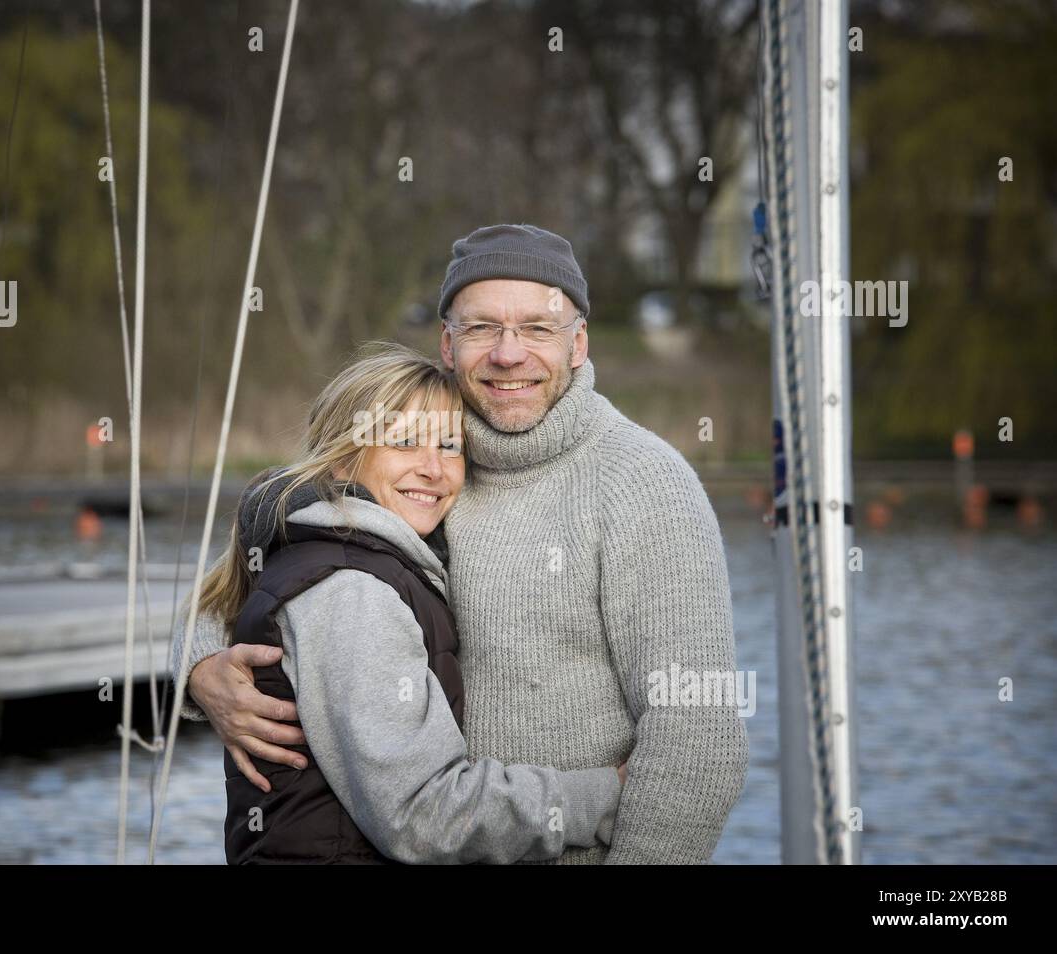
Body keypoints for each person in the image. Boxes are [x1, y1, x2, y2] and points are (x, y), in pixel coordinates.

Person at [179, 224, 749, 864]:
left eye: (538, 328)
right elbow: (261, 566)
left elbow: (697, 741)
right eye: (482, 329)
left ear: (579, 343)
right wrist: (202, 671)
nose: (510, 354)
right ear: (448, 344)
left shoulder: (645, 483)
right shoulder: (431, 460)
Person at [180, 342, 624, 864]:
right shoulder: (354, 590)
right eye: (405, 442)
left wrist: (197, 663)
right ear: (346, 454)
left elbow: (217, 597)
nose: (434, 470)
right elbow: (422, 814)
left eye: (450, 446)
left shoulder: (343, 546)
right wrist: (601, 796)